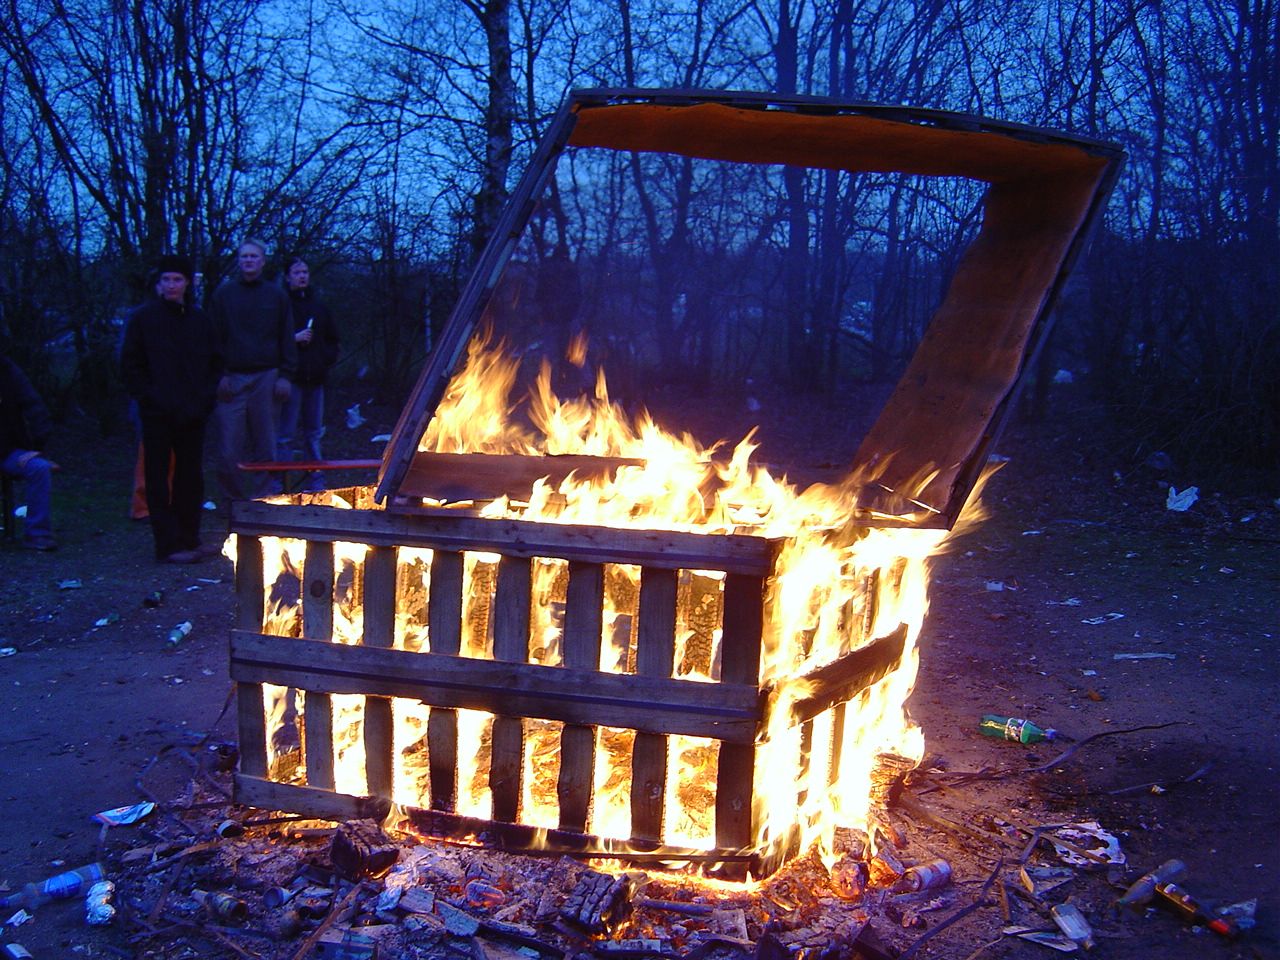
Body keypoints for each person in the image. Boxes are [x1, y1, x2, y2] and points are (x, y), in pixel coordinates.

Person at [121, 255, 224, 563]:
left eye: (177, 279)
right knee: (157, 476)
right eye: (166, 279)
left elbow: (214, 364)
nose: (171, 285)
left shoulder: (199, 320)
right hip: (157, 413)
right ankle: (167, 544)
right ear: (158, 283)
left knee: (190, 476)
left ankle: (190, 537)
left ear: (187, 283)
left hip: (193, 413)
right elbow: (131, 365)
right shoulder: (143, 319)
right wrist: (150, 398)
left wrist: (203, 401)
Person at [210, 238, 296, 502]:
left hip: (267, 376)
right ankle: (232, 502)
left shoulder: (276, 295)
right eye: (244, 256)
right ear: (239, 260)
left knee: (266, 444)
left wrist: (285, 375)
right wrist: (219, 374)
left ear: (262, 261)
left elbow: (286, 337)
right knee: (228, 447)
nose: (249, 260)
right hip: (232, 377)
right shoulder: (224, 294)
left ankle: (263, 500)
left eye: (253, 256)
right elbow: (213, 337)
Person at [277, 257, 339, 491]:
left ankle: (316, 484)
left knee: (313, 434)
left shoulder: (319, 307)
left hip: (316, 379)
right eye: (296, 272)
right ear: (287, 277)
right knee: (285, 435)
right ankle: (281, 483)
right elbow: (272, 340)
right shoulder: (281, 307)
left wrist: (324, 360)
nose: (302, 276)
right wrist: (293, 339)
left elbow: (333, 340)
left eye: (304, 272)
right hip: (291, 379)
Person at [0, 355, 57, 550]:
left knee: (38, 468)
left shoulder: (7, 370)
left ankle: (37, 533)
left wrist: (36, 449)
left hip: (7, 452)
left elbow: (35, 407)